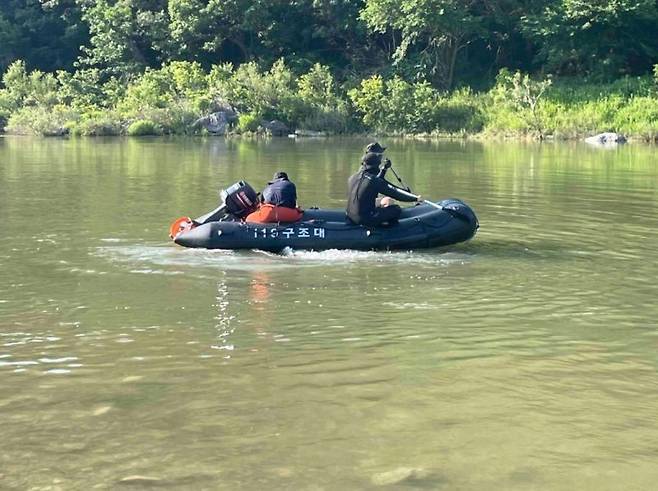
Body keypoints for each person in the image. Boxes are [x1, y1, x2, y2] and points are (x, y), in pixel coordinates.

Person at [346, 144, 420, 227]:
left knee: (385, 200)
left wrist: (384, 169)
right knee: (396, 209)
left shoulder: (353, 177)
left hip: (350, 217)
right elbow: (395, 193)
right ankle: (390, 232)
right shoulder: (374, 181)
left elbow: (378, 182)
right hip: (364, 219)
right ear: (376, 164)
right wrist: (415, 198)